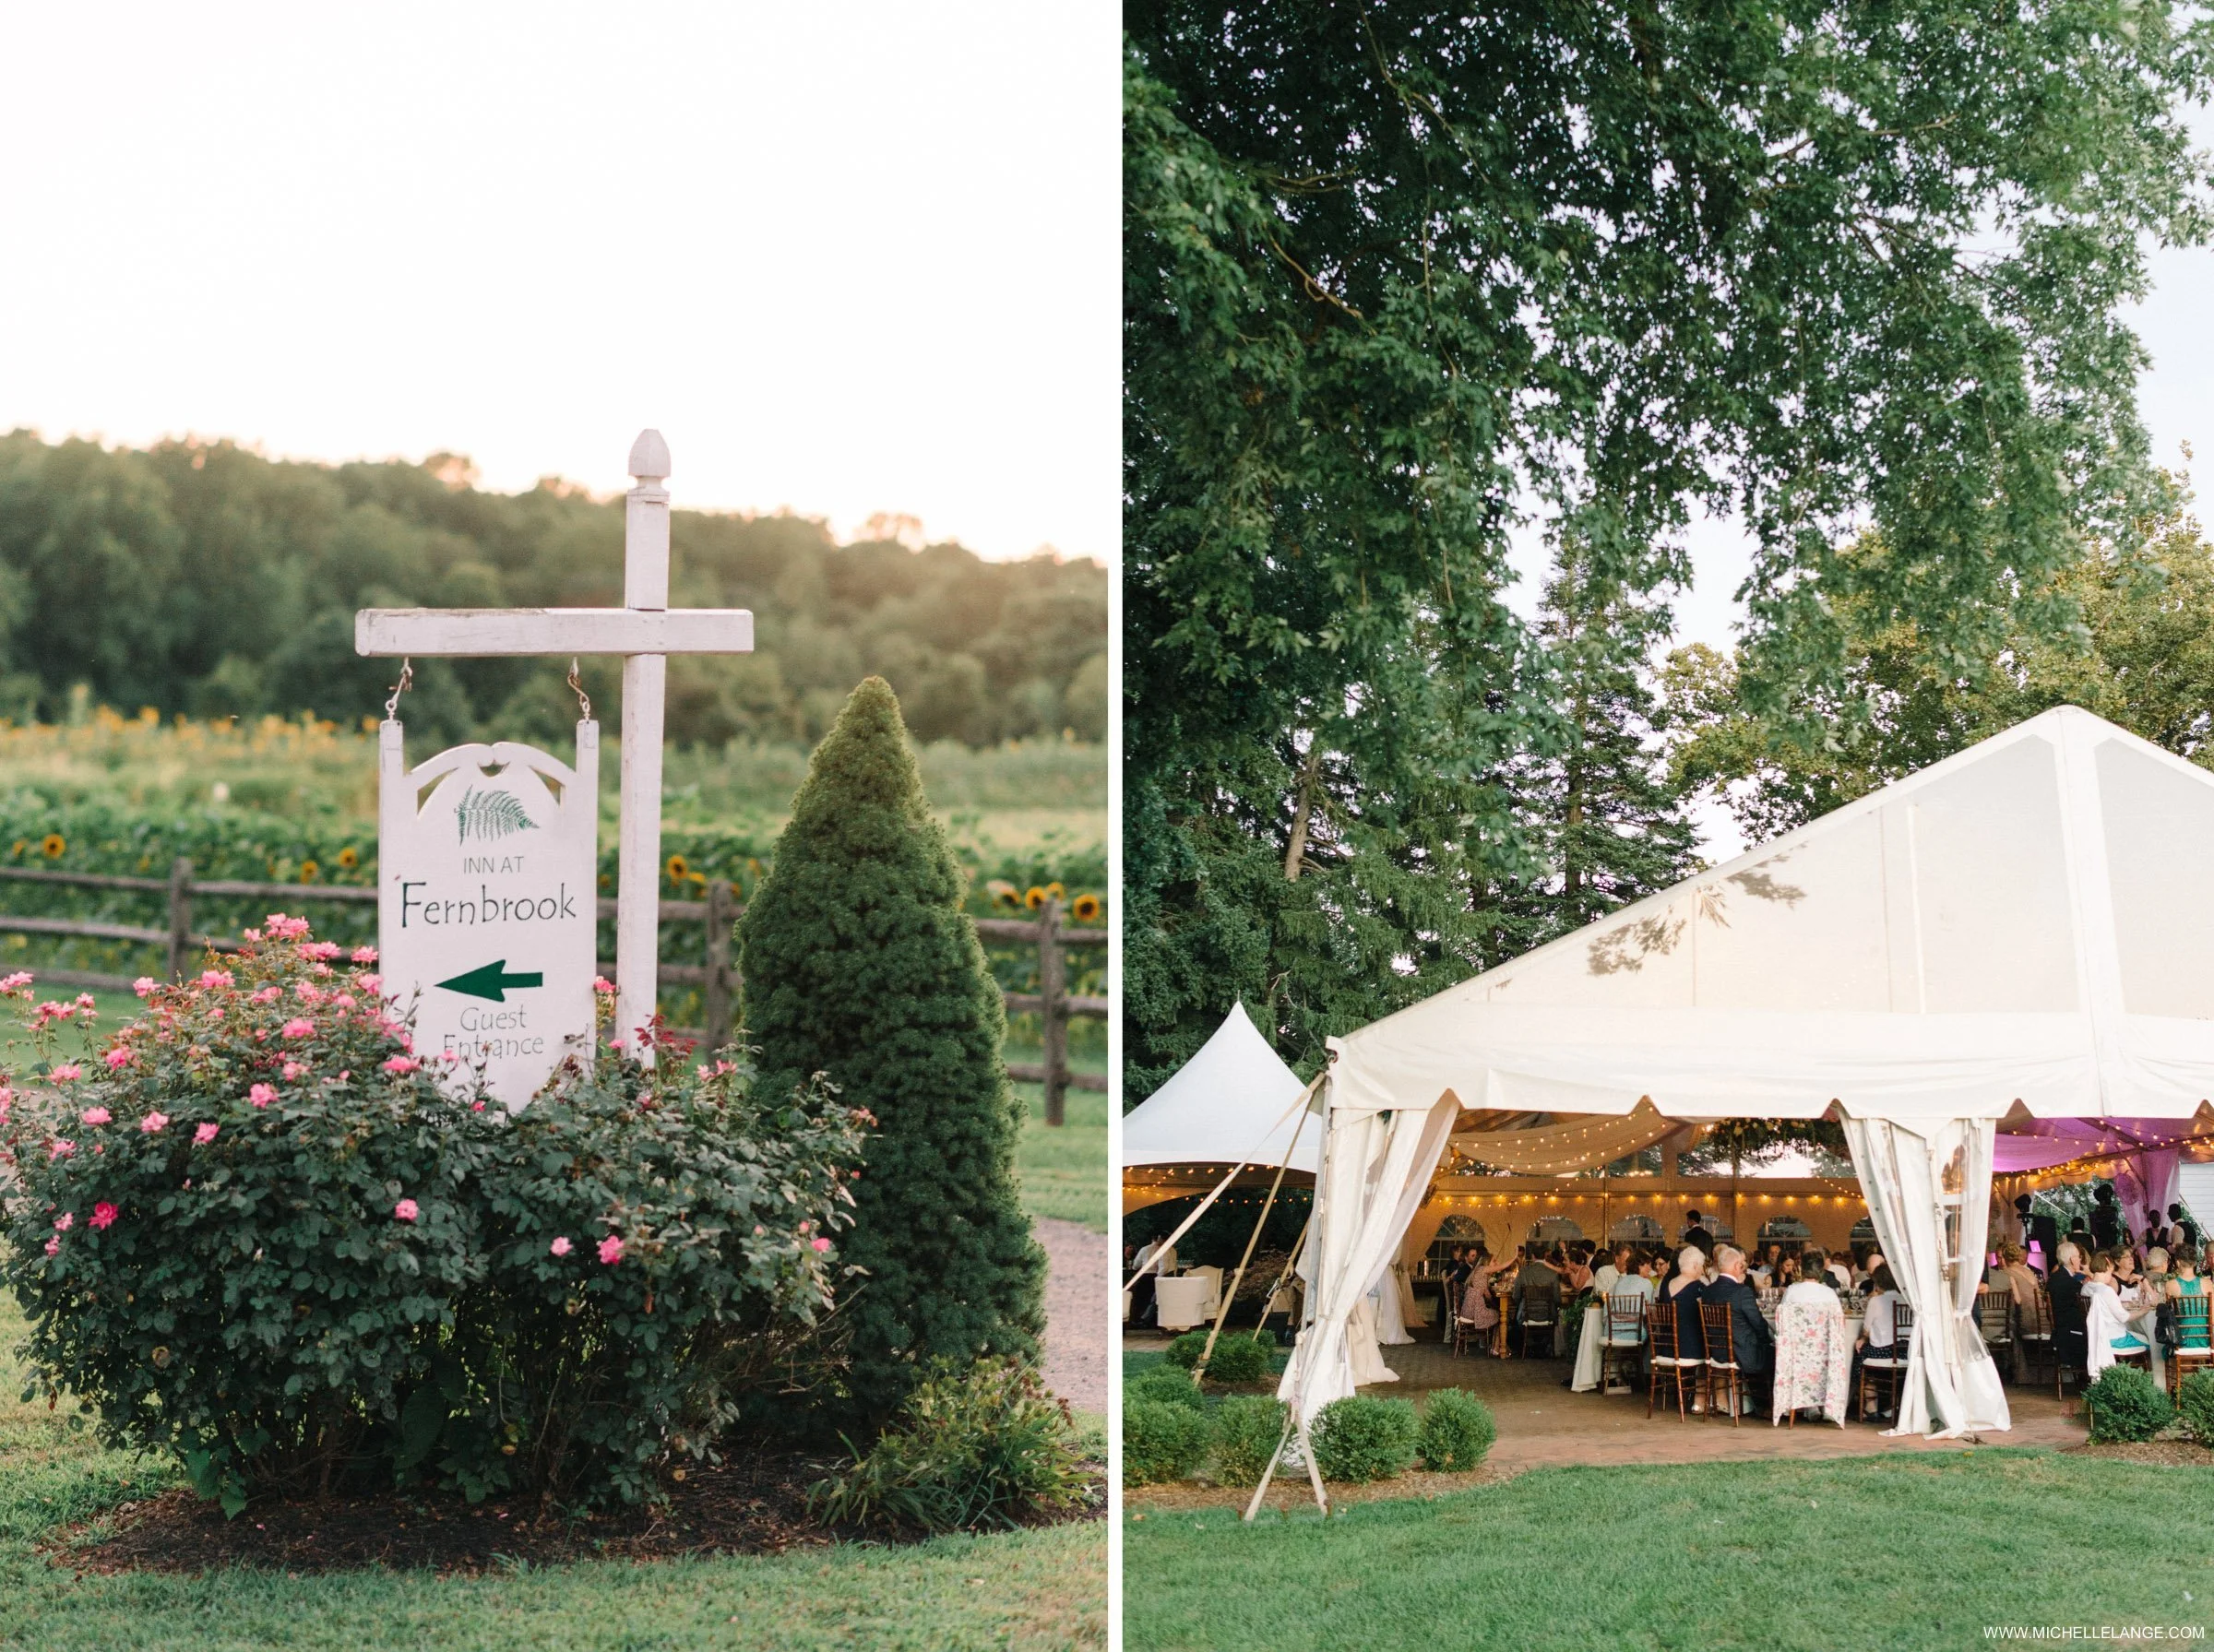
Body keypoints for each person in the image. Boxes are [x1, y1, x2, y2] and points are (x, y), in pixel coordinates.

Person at [1706, 1245, 1774, 1415]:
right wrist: (1767, 1340)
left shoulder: (1708, 1291)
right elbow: (1758, 1324)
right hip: (1739, 1351)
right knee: (1774, 1353)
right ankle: (1765, 1407)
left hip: (1715, 1350)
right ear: (1737, 1266)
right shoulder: (1742, 1292)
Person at [1855, 1264, 1904, 1421]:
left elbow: (1866, 1330)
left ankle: (1871, 1406)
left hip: (1882, 1351)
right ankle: (1892, 1404)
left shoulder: (1876, 1301)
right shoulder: (1906, 1299)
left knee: (1859, 1357)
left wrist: (1862, 1339)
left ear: (1878, 1282)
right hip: (1904, 1351)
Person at [2048, 1240, 2089, 1384]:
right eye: (2078, 1256)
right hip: (2070, 1330)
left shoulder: (2056, 1277)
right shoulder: (2069, 1282)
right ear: (2072, 1259)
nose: (2080, 1259)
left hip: (2061, 1326)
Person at [1995, 1242, 2041, 1311]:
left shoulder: (2006, 1273)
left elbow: (2017, 1300)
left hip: (2023, 1316)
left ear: (2005, 1257)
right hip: (2041, 1314)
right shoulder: (2030, 1272)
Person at [2090, 1185, 2123, 1251]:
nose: (2109, 1199)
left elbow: (2093, 1231)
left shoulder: (2094, 1214)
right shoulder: (2113, 1211)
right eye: (2108, 1197)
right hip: (2107, 1244)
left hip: (2102, 1245)